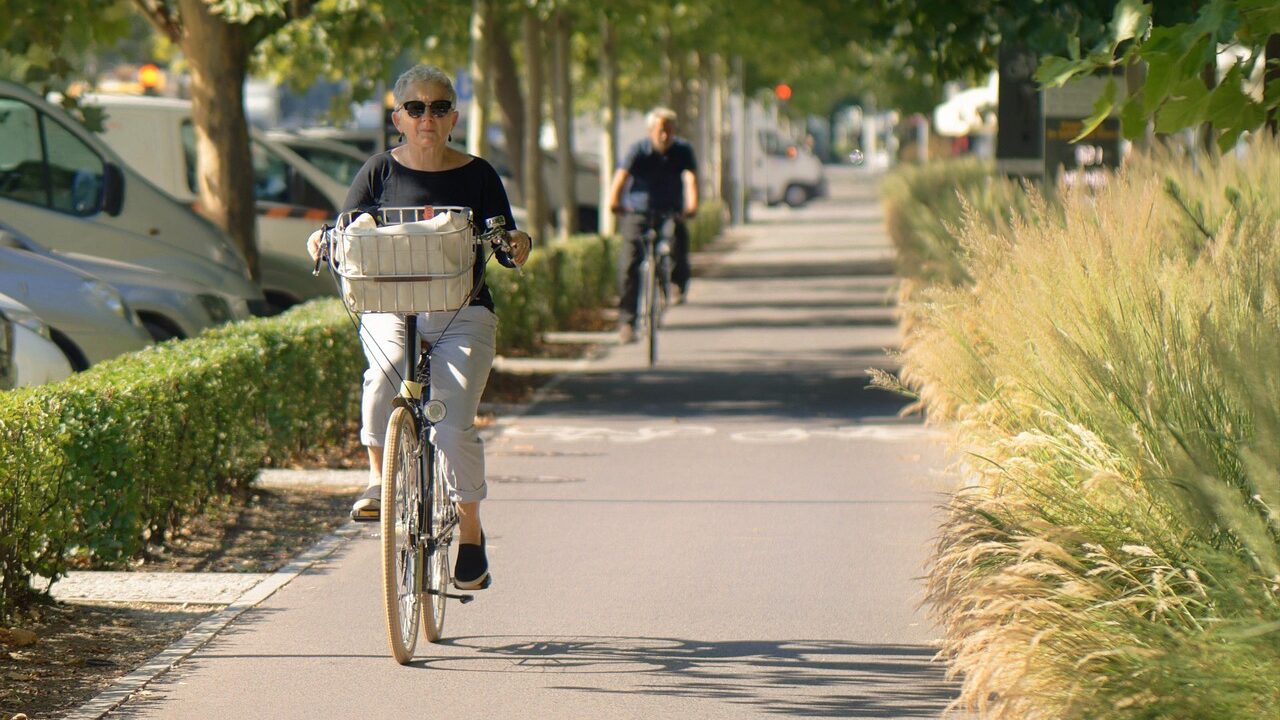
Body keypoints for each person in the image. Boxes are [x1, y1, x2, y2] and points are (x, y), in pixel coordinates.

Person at [307, 64, 531, 590]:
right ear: (398, 118)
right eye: (415, 108)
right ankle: (378, 480)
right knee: (381, 379)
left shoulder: (478, 174)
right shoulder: (377, 172)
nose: (426, 117)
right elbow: (340, 229)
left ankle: (470, 533)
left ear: (453, 117)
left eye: (437, 107)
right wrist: (320, 241)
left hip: (462, 312)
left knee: (452, 424)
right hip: (389, 307)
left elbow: (504, 238)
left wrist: (517, 245)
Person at [607, 107, 698, 343]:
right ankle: (627, 322)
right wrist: (614, 202)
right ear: (651, 132)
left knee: (678, 236)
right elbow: (621, 177)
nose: (665, 136)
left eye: (669, 130)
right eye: (660, 131)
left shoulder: (683, 151)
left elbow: (690, 179)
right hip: (639, 212)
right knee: (629, 262)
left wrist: (692, 205)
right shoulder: (638, 151)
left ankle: (677, 283)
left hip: (670, 210)